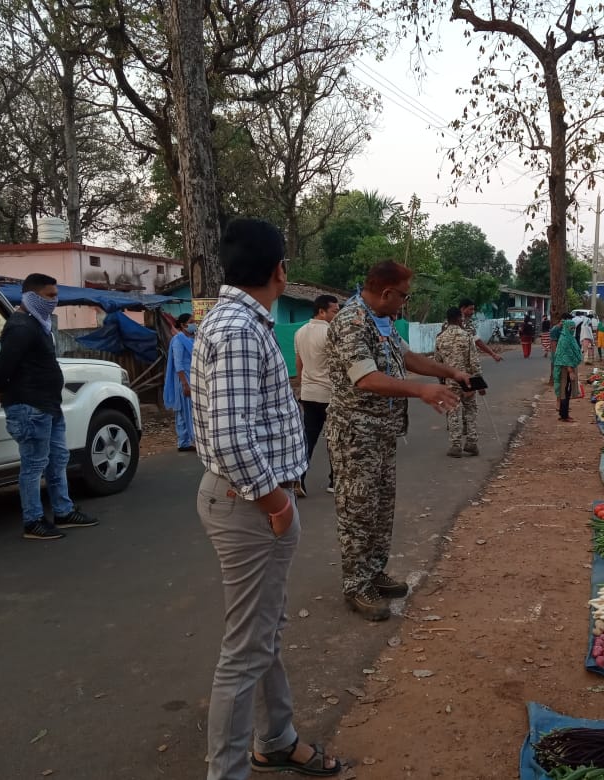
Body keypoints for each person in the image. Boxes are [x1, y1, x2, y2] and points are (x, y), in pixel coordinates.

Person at [191, 218, 340, 779]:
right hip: (249, 505)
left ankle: (277, 737)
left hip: (250, 500)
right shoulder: (237, 329)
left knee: (263, 633)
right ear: (280, 270)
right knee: (245, 651)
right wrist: (277, 503)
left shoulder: (238, 321)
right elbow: (231, 439)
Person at [327, 261, 466, 621]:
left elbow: (408, 357)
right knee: (358, 510)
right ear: (387, 292)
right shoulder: (351, 321)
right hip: (356, 435)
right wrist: (420, 390)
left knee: (381, 506)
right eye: (404, 295)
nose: (405, 302)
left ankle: (373, 572)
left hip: (382, 433)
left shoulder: (381, 321)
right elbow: (366, 378)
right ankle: (356, 585)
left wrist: (448, 371)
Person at [0, 273, 99, 540]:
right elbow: (2, 368)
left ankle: (63, 510)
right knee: (34, 464)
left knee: (58, 459)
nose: (55, 301)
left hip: (47, 405)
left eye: (55, 295)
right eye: (50, 296)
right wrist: (0, 390)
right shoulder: (21, 327)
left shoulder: (38, 324)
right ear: (31, 296)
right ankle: (33, 521)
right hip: (30, 407)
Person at [293, 294, 340, 497]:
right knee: (335, 440)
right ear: (322, 311)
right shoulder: (331, 332)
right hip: (330, 394)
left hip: (309, 393)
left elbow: (299, 364)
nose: (336, 316)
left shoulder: (300, 332)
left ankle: (299, 479)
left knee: (308, 438)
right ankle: (334, 480)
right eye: (334, 312)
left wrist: (302, 387)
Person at [435, 307, 482, 457]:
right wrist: (479, 383)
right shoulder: (467, 336)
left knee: (453, 410)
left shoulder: (440, 338)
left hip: (450, 379)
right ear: (458, 318)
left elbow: (437, 363)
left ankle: (455, 446)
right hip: (467, 378)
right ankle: (471, 442)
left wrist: (442, 381)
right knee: (471, 409)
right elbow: (474, 361)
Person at [163, 313, 196, 452]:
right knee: (183, 411)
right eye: (191, 321)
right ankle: (184, 442)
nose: (194, 324)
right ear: (183, 325)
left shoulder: (192, 339)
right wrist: (184, 384)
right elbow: (178, 364)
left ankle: (189, 440)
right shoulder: (178, 340)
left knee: (192, 411)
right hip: (183, 379)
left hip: (193, 378)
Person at [553, 320, 582, 423]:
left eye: (574, 328)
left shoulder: (570, 338)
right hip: (565, 370)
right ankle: (564, 415)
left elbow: (573, 353)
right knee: (564, 392)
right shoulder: (565, 339)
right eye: (571, 328)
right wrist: (570, 371)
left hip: (568, 368)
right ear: (566, 328)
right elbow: (565, 356)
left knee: (566, 392)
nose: (573, 330)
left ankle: (563, 414)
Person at [459, 298, 503, 364]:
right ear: (463, 309)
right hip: (455, 362)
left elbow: (477, 341)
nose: (473, 312)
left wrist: (493, 354)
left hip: (469, 361)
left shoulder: (469, 323)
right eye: (471, 309)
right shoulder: (450, 323)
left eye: (473, 309)